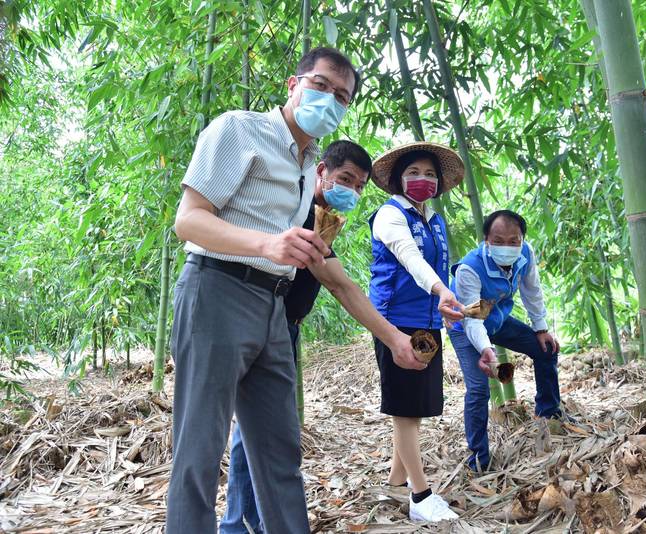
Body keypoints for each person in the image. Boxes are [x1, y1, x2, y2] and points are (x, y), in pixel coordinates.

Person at [168, 47, 422, 534]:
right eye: (321, 85)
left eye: (341, 96)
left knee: (280, 455)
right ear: (294, 84)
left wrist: (394, 339)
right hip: (217, 291)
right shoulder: (238, 129)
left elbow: (337, 279)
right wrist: (269, 244)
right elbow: (189, 220)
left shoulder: (308, 169)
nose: (329, 99)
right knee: (199, 451)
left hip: (274, 311)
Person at [220, 140, 423, 533]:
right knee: (253, 432)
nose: (353, 190)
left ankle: (251, 522)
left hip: (286, 329)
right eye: (345, 179)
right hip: (257, 323)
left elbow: (337, 282)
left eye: (360, 185)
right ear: (321, 172)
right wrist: (394, 337)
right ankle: (240, 525)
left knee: (258, 432)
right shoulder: (293, 205)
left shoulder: (325, 216)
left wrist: (394, 338)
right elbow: (340, 285)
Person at [368, 142, 466, 523]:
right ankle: (421, 495)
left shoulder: (436, 221)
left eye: (429, 173)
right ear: (398, 179)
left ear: (439, 182)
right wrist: (441, 291)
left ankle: (395, 482)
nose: (422, 179)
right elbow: (410, 258)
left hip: (426, 321)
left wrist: (446, 305)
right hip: (396, 322)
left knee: (415, 406)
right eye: (413, 173)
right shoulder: (390, 216)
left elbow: (440, 268)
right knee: (406, 410)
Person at [447, 209, 563, 473]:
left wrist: (541, 328)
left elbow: (532, 290)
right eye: (498, 241)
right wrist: (486, 350)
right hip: (466, 327)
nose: (507, 247)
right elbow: (473, 320)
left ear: (522, 240)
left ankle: (548, 412)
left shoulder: (525, 254)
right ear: (486, 240)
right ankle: (478, 457)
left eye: (514, 241)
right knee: (479, 390)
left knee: (545, 349)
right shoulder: (470, 268)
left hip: (497, 319)